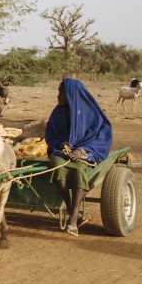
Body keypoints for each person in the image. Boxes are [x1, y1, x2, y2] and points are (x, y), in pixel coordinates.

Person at [45, 78, 113, 236]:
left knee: (78, 171)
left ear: (70, 94)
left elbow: (101, 138)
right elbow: (51, 134)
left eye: (60, 93)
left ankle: (73, 220)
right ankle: (71, 209)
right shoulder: (58, 111)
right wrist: (60, 144)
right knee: (57, 166)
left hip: (84, 152)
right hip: (63, 152)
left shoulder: (91, 113)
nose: (58, 96)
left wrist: (82, 151)